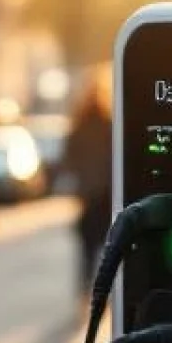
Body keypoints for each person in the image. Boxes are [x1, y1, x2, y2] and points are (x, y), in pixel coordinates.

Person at [63, 63, 114, 302]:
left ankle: (86, 296)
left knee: (88, 252)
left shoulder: (80, 124)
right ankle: (101, 296)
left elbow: (70, 157)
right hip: (104, 195)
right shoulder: (108, 123)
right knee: (108, 250)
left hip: (92, 196)